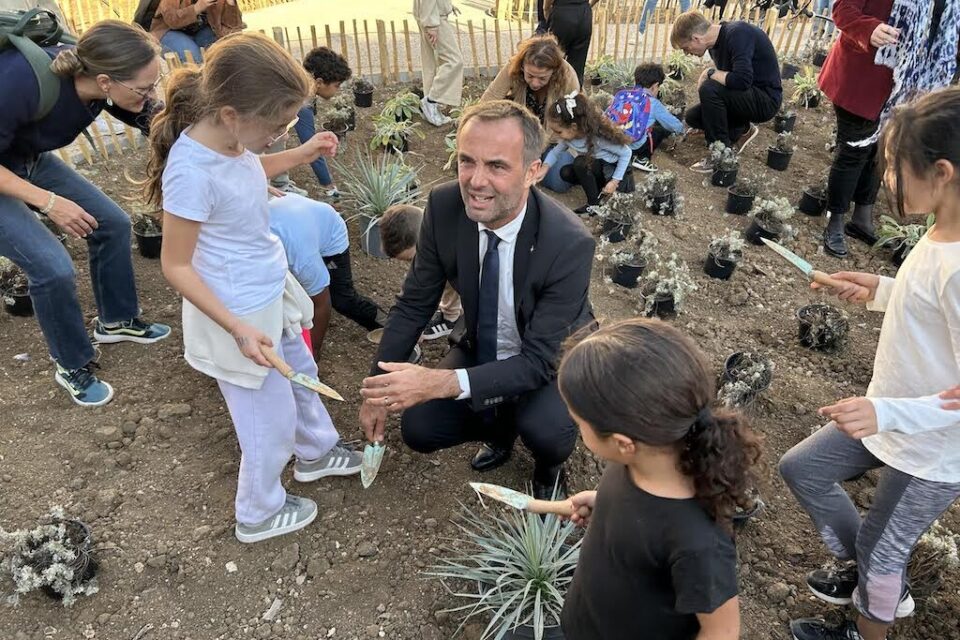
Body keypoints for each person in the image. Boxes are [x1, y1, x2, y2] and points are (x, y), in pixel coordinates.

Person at [149, 33, 362, 544]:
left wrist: (303, 151)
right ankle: (258, 510)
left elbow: (247, 172)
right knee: (267, 416)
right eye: (277, 124)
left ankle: (315, 453)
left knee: (302, 374)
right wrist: (236, 327)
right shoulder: (190, 171)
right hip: (236, 312)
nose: (281, 132)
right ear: (229, 113)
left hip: (267, 290)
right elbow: (175, 265)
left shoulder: (230, 144)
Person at [780, 87, 960, 640]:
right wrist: (880, 289)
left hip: (929, 449)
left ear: (943, 171)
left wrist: (887, 416)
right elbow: (930, 305)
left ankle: (868, 622)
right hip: (888, 416)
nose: (884, 179)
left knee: (884, 550)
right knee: (803, 469)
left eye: (894, 166)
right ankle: (868, 572)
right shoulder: (941, 232)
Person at [357, 100, 596, 500]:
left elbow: (538, 361)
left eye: (497, 166)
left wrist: (443, 381)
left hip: (550, 356)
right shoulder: (444, 206)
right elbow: (414, 303)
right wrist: (378, 390)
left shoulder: (568, 243)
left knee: (548, 431)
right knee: (419, 428)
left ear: (534, 172)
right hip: (484, 340)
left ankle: (547, 469)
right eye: (467, 161)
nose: (475, 181)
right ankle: (499, 432)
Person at [0, 20, 171, 407]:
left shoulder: (102, 82)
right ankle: (71, 363)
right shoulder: (18, 82)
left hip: (25, 160)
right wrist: (47, 202)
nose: (150, 95)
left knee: (111, 224)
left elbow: (160, 123)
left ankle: (116, 320)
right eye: (144, 89)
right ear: (107, 81)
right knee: (52, 267)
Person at [557, 318, 757, 640]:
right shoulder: (639, 461)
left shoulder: (698, 545)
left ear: (623, 443)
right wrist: (604, 503)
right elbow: (646, 519)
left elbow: (722, 632)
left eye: (578, 421)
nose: (576, 427)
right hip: (586, 621)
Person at [267, 192, 387, 359]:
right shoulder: (247, 236)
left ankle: (389, 325)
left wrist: (312, 353)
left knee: (342, 299)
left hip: (329, 231)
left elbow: (321, 303)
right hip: (299, 220)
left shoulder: (301, 258)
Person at [670, 10, 782, 172]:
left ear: (696, 38)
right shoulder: (714, 44)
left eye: (686, 48)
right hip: (747, 96)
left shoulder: (738, 34)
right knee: (693, 117)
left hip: (765, 100)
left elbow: (742, 80)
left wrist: (710, 73)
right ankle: (741, 130)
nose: (687, 53)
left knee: (709, 88)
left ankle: (721, 155)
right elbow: (729, 84)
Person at [481, 35, 580, 191]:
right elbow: (489, 100)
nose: (535, 83)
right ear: (522, 67)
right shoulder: (513, 66)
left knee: (559, 181)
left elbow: (573, 120)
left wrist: (538, 150)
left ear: (553, 72)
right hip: (519, 137)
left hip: (553, 142)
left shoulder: (567, 76)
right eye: (530, 76)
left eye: (542, 78)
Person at [270, 46, 353, 199]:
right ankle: (275, 186)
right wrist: (328, 185)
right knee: (276, 137)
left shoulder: (295, 80)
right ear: (319, 82)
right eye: (336, 85)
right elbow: (311, 145)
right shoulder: (301, 100)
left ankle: (279, 182)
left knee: (279, 136)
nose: (338, 91)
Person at [379, 204, 462, 341]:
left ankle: (452, 320)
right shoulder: (431, 228)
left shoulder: (457, 247)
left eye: (412, 259)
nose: (413, 265)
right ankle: (451, 313)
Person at [540, 92, 634, 213]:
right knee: (566, 172)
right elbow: (555, 152)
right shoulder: (570, 136)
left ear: (573, 127)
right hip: (598, 168)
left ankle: (594, 204)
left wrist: (615, 181)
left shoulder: (597, 138)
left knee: (580, 163)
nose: (556, 135)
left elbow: (626, 153)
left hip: (612, 171)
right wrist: (544, 168)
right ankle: (597, 189)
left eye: (559, 132)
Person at [612, 62, 685, 172]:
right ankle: (642, 158)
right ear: (655, 86)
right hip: (634, 146)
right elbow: (672, 124)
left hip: (614, 141)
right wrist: (681, 129)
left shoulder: (623, 95)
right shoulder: (653, 103)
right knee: (659, 130)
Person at [413, 0, 464, 126]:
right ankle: (431, 101)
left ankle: (430, 108)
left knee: (430, 63)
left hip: (429, 14)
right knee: (454, 61)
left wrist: (446, 5)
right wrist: (431, 24)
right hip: (433, 17)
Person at [147, 0, 243, 63]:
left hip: (200, 29)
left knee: (221, 54)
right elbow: (172, 20)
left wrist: (231, 4)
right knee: (194, 59)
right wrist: (197, 8)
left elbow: (234, 27)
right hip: (169, 30)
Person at [543, 0, 600, 86]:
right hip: (583, 14)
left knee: (554, 58)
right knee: (578, 65)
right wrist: (587, 5)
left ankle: (552, 93)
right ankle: (574, 95)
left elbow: (547, 5)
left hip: (562, 12)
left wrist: (546, 10)